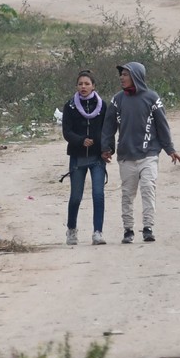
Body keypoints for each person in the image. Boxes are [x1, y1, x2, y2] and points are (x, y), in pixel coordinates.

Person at [100, 62, 180, 243]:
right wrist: (106, 148)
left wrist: (170, 149)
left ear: (136, 76)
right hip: (126, 156)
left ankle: (148, 227)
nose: (121, 77)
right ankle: (128, 230)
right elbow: (108, 126)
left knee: (148, 189)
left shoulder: (152, 98)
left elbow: (162, 125)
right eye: (120, 75)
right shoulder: (117, 100)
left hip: (149, 154)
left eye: (125, 74)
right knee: (128, 194)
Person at [61, 70, 108, 246]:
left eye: (87, 84)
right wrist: (81, 141)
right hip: (77, 157)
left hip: (97, 157)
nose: (83, 87)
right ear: (76, 86)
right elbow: (67, 131)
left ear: (93, 86)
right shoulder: (70, 106)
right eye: (80, 84)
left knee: (98, 194)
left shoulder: (103, 106)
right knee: (75, 197)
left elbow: (108, 130)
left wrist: (108, 149)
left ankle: (97, 232)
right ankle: (71, 230)